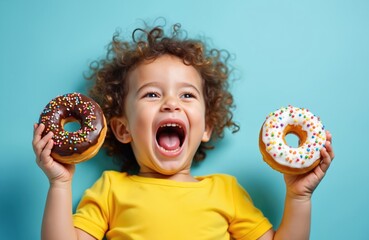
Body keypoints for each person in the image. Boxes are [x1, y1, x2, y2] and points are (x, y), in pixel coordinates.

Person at [32, 23, 334, 240]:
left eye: (187, 95)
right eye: (152, 94)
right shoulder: (111, 189)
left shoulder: (225, 192)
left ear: (207, 128)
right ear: (123, 129)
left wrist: (299, 198)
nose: (171, 104)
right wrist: (60, 184)